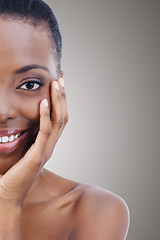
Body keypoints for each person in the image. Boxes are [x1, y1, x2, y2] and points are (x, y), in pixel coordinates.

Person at [0, 0, 130, 239]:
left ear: (59, 88)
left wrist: (7, 201)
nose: (2, 111)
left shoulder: (92, 210)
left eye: (29, 84)